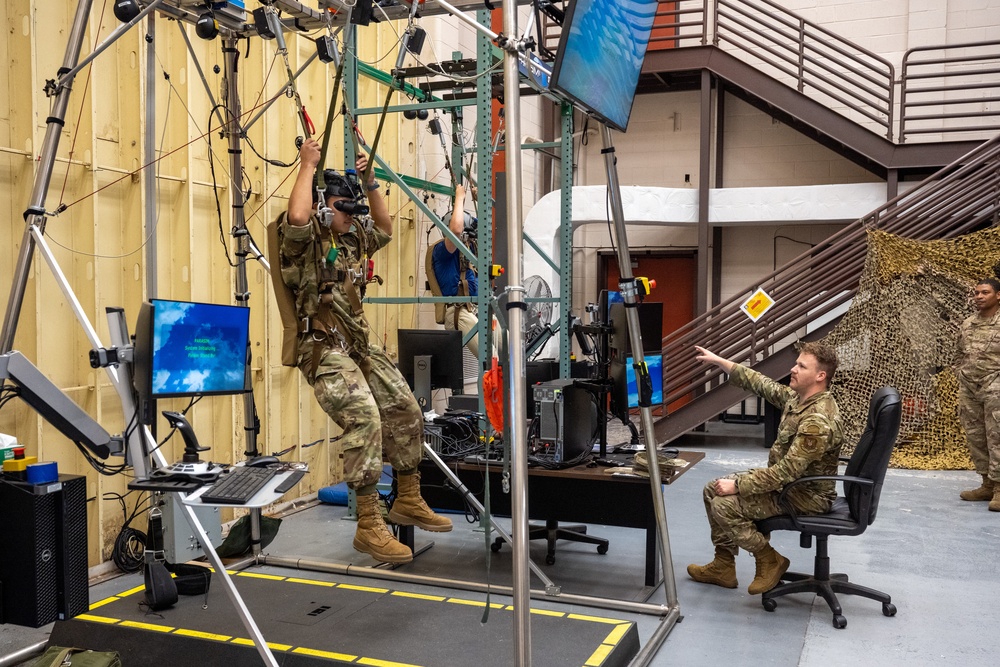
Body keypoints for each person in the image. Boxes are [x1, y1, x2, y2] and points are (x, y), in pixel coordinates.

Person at [274, 138, 452, 564]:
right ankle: (369, 523)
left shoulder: (352, 238)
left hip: (358, 343)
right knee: (364, 415)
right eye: (341, 206)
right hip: (322, 347)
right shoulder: (304, 240)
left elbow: (386, 228)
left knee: (407, 407)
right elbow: (297, 214)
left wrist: (371, 182)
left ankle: (408, 494)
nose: (350, 216)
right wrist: (307, 164)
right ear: (323, 204)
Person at [688, 342, 843, 594]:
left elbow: (786, 473)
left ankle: (769, 558)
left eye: (801, 366)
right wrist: (720, 361)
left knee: (723, 504)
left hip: (805, 496)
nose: (793, 369)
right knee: (712, 489)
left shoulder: (817, 419)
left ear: (820, 376)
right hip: (789, 486)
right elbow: (760, 383)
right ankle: (723, 566)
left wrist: (737, 486)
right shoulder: (799, 398)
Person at [429, 182, 491, 359]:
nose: (469, 239)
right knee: (490, 358)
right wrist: (460, 197)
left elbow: (486, 229)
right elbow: (456, 231)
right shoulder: (442, 250)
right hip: (458, 311)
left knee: (511, 348)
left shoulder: (469, 250)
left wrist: (482, 201)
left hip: (475, 308)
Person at [956, 276, 1000, 511]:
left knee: (998, 438)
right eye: (977, 293)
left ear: (998, 295)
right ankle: (987, 484)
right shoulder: (968, 323)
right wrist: (961, 375)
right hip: (970, 388)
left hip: (996, 388)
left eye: (985, 292)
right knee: (976, 437)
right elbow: (960, 353)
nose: (979, 297)